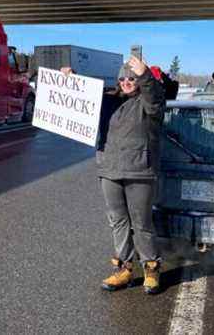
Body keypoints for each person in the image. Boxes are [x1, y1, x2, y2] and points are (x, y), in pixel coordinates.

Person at [68, 56, 165, 294]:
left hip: (139, 172)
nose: (127, 82)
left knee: (142, 223)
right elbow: (84, 97)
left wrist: (145, 75)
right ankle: (123, 269)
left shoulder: (148, 103)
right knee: (118, 222)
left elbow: (155, 98)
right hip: (110, 170)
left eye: (131, 78)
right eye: (122, 78)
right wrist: (70, 80)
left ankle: (151, 270)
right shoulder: (110, 101)